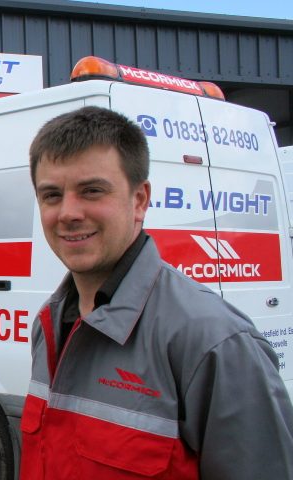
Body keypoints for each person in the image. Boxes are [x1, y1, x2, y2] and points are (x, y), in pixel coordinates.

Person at [20, 106, 293, 479]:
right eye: (51, 195)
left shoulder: (216, 343)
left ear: (140, 200)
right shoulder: (48, 324)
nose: (67, 212)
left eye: (92, 191)